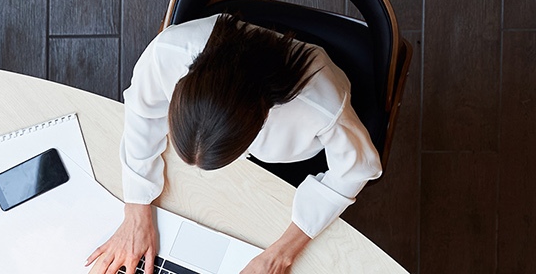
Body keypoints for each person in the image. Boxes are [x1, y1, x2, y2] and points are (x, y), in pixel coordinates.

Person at [86, 14, 383, 274]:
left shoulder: (321, 106)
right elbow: (142, 110)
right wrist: (136, 209)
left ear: (262, 119)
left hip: (294, 162)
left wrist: (280, 254)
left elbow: (356, 170)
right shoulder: (169, 51)